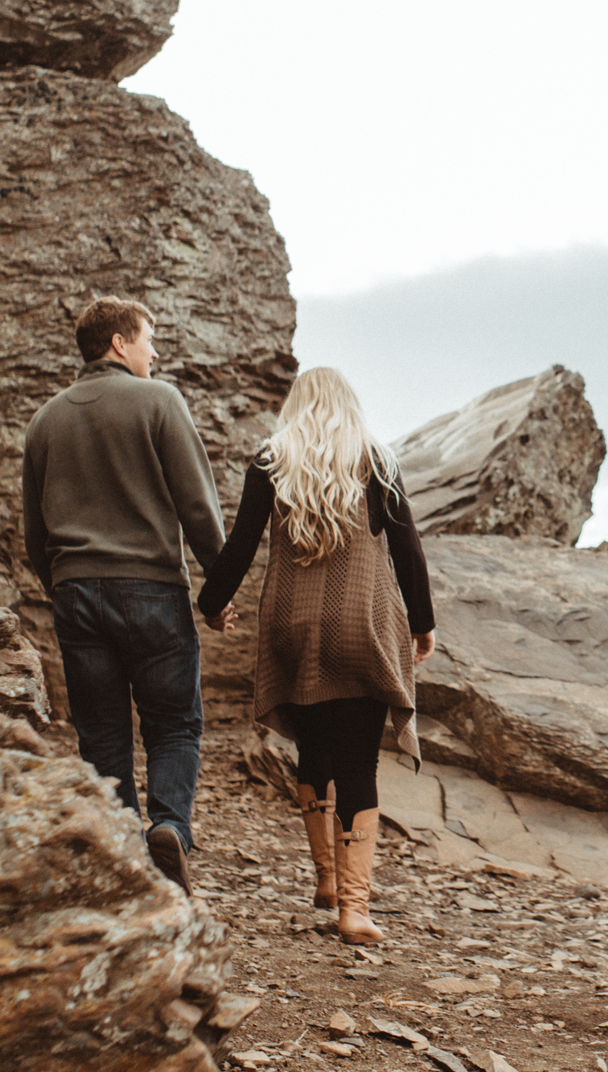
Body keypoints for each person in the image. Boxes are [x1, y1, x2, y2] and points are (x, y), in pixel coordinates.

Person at [198, 366, 436, 945]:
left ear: (295, 407)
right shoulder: (376, 460)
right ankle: (353, 910)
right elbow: (407, 547)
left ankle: (326, 879)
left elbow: (242, 543)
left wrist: (211, 601)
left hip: (292, 625)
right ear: (349, 407)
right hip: (362, 623)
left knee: (314, 750)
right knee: (359, 764)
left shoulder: (271, 461)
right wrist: (423, 623)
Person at [21, 296, 237, 895]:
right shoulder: (160, 401)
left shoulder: (45, 421)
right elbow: (198, 508)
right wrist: (217, 593)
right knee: (173, 725)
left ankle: (120, 854)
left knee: (102, 732)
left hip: (75, 594)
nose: (155, 351)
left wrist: (63, 585)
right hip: (151, 590)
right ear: (119, 343)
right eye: (149, 339)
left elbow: (34, 532)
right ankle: (169, 826)